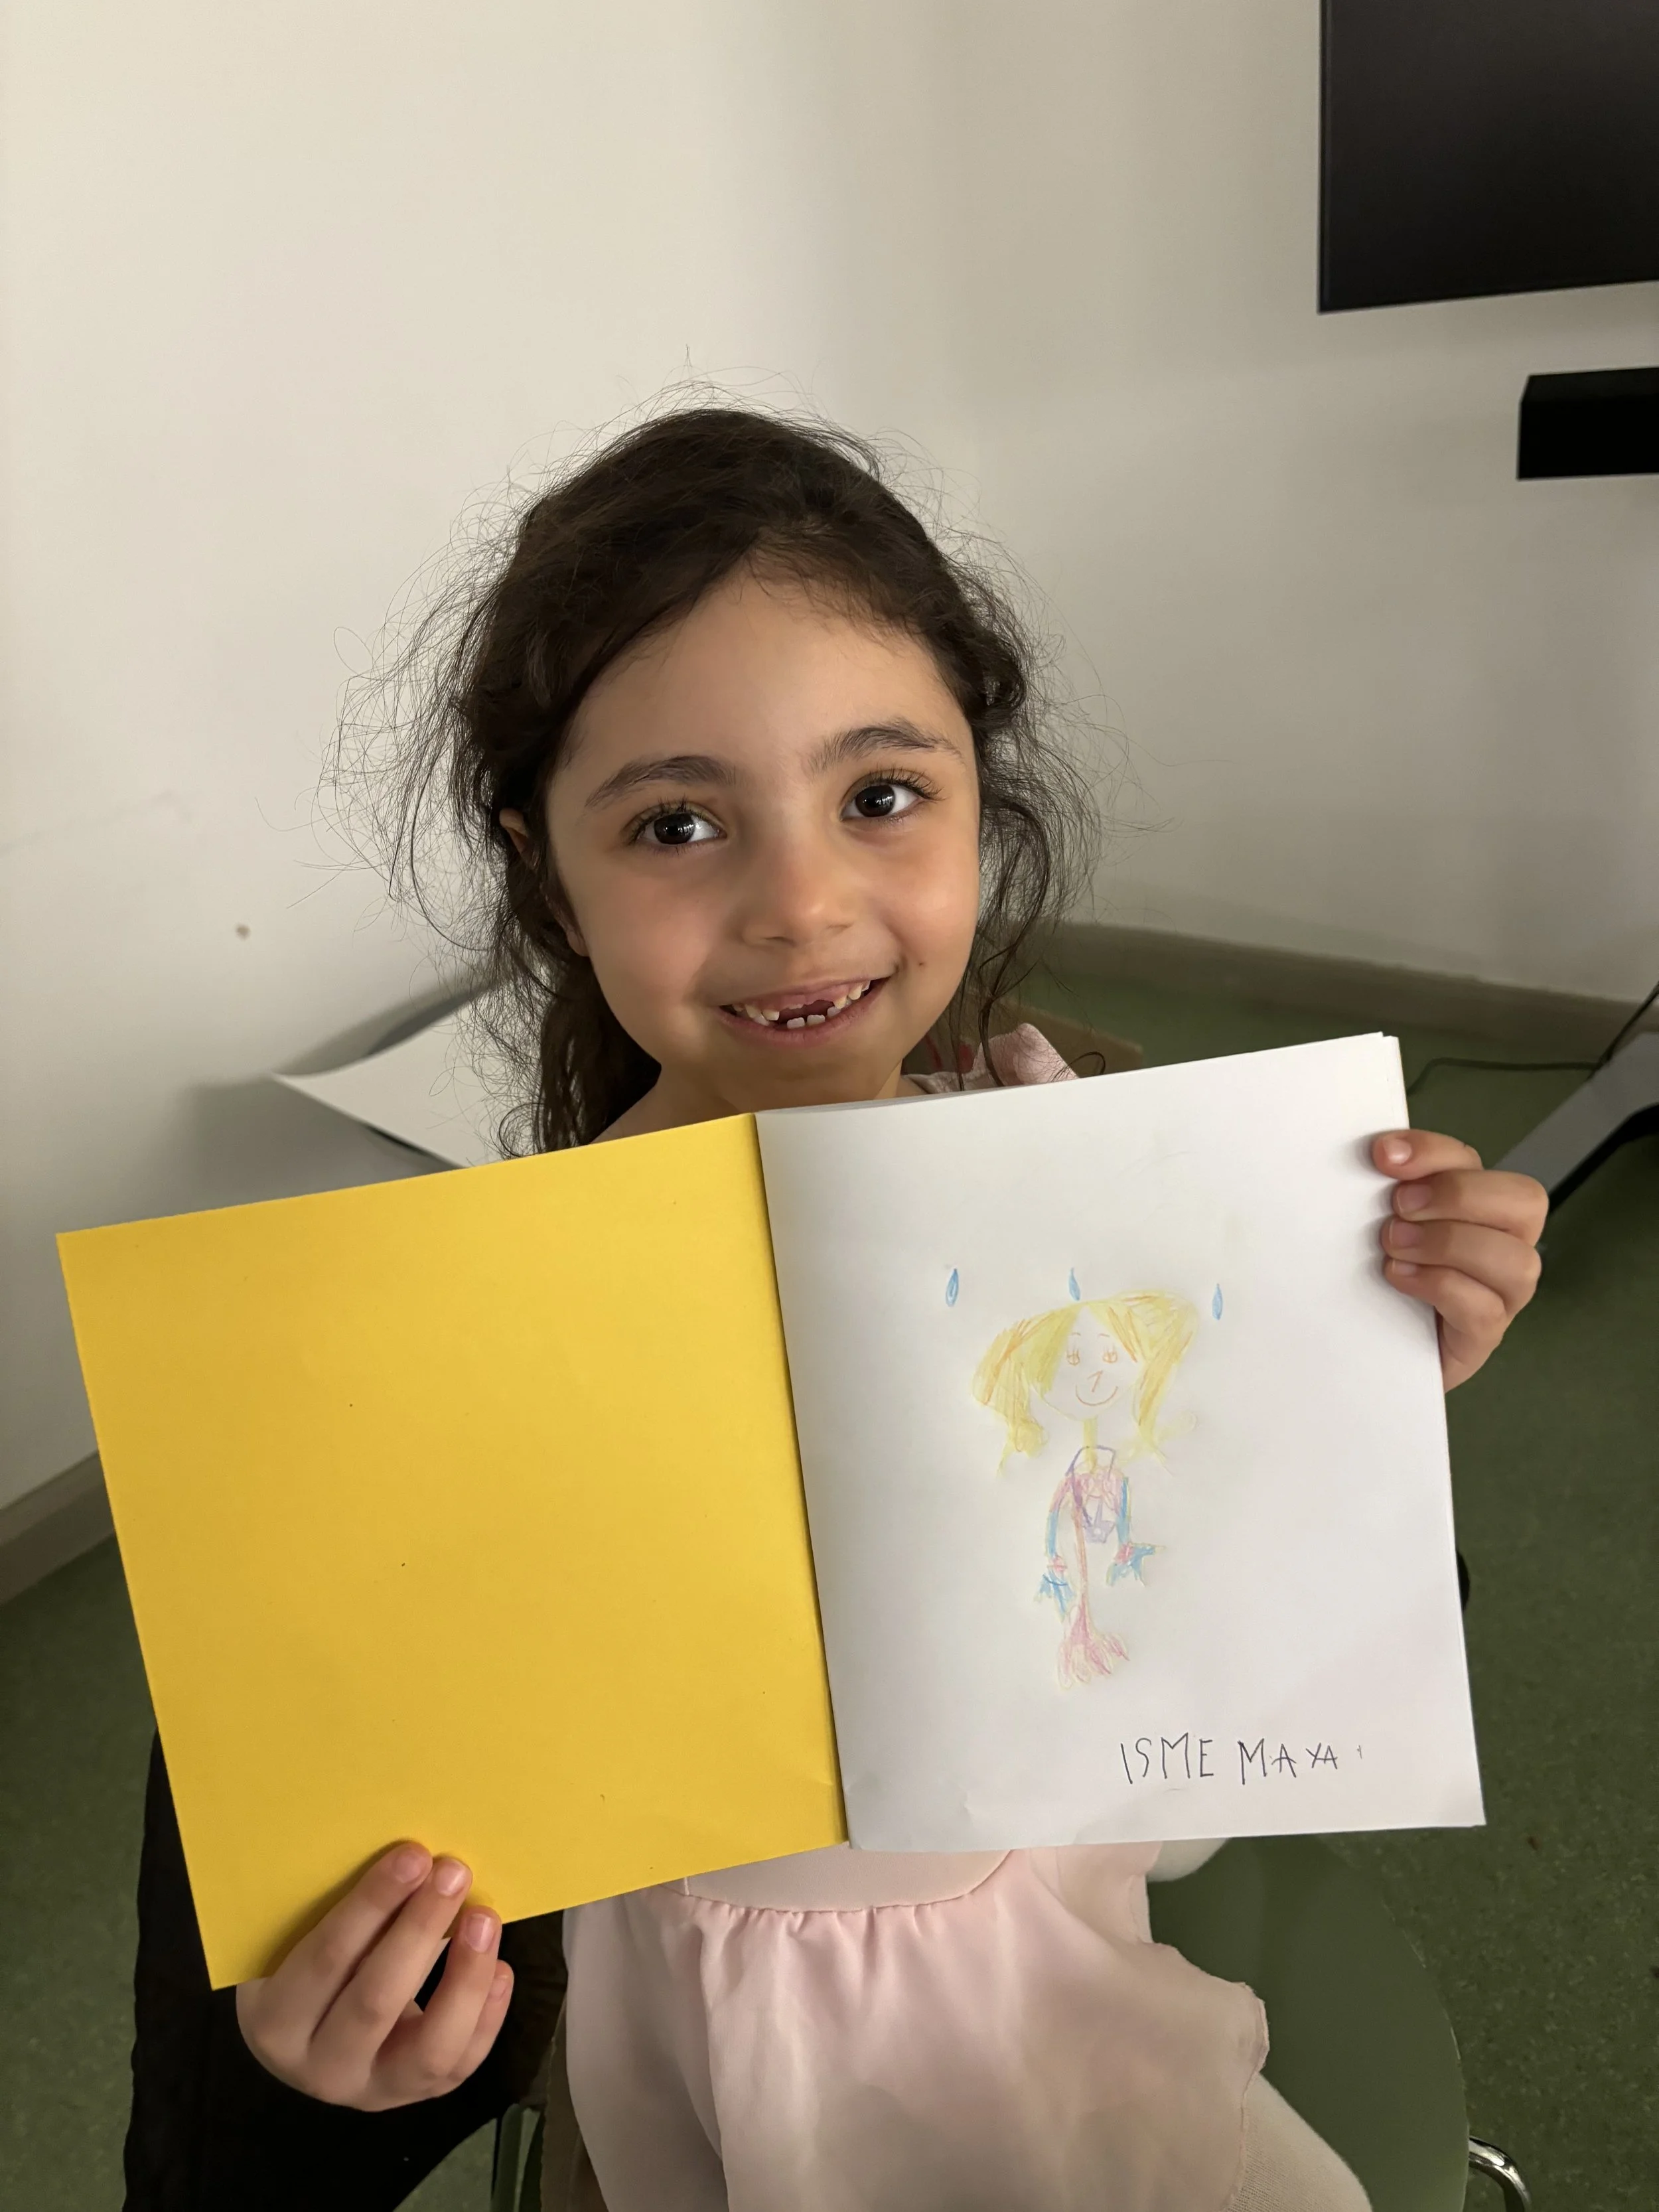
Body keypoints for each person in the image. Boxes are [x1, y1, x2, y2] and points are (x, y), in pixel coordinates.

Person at [123, 404, 1548, 2210]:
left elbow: (1227, 1719)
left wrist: (1365, 1379)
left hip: (1080, 2018)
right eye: (675, 823)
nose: (800, 906)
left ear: (978, 797)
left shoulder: (1099, 1154)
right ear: (546, 867)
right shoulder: (461, 1343)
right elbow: (365, 1849)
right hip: (695, 2094)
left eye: (880, 795)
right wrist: (332, 2040)